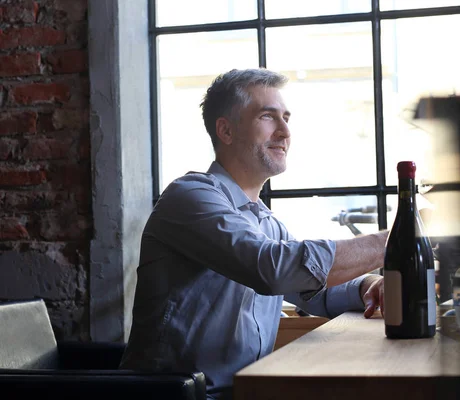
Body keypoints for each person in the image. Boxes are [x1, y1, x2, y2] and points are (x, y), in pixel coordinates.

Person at [119, 68, 388, 399]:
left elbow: (308, 290)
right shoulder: (189, 196)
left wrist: (366, 286)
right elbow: (273, 269)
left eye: (286, 118)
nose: (285, 131)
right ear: (226, 131)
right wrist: (394, 241)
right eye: (268, 117)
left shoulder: (266, 223)